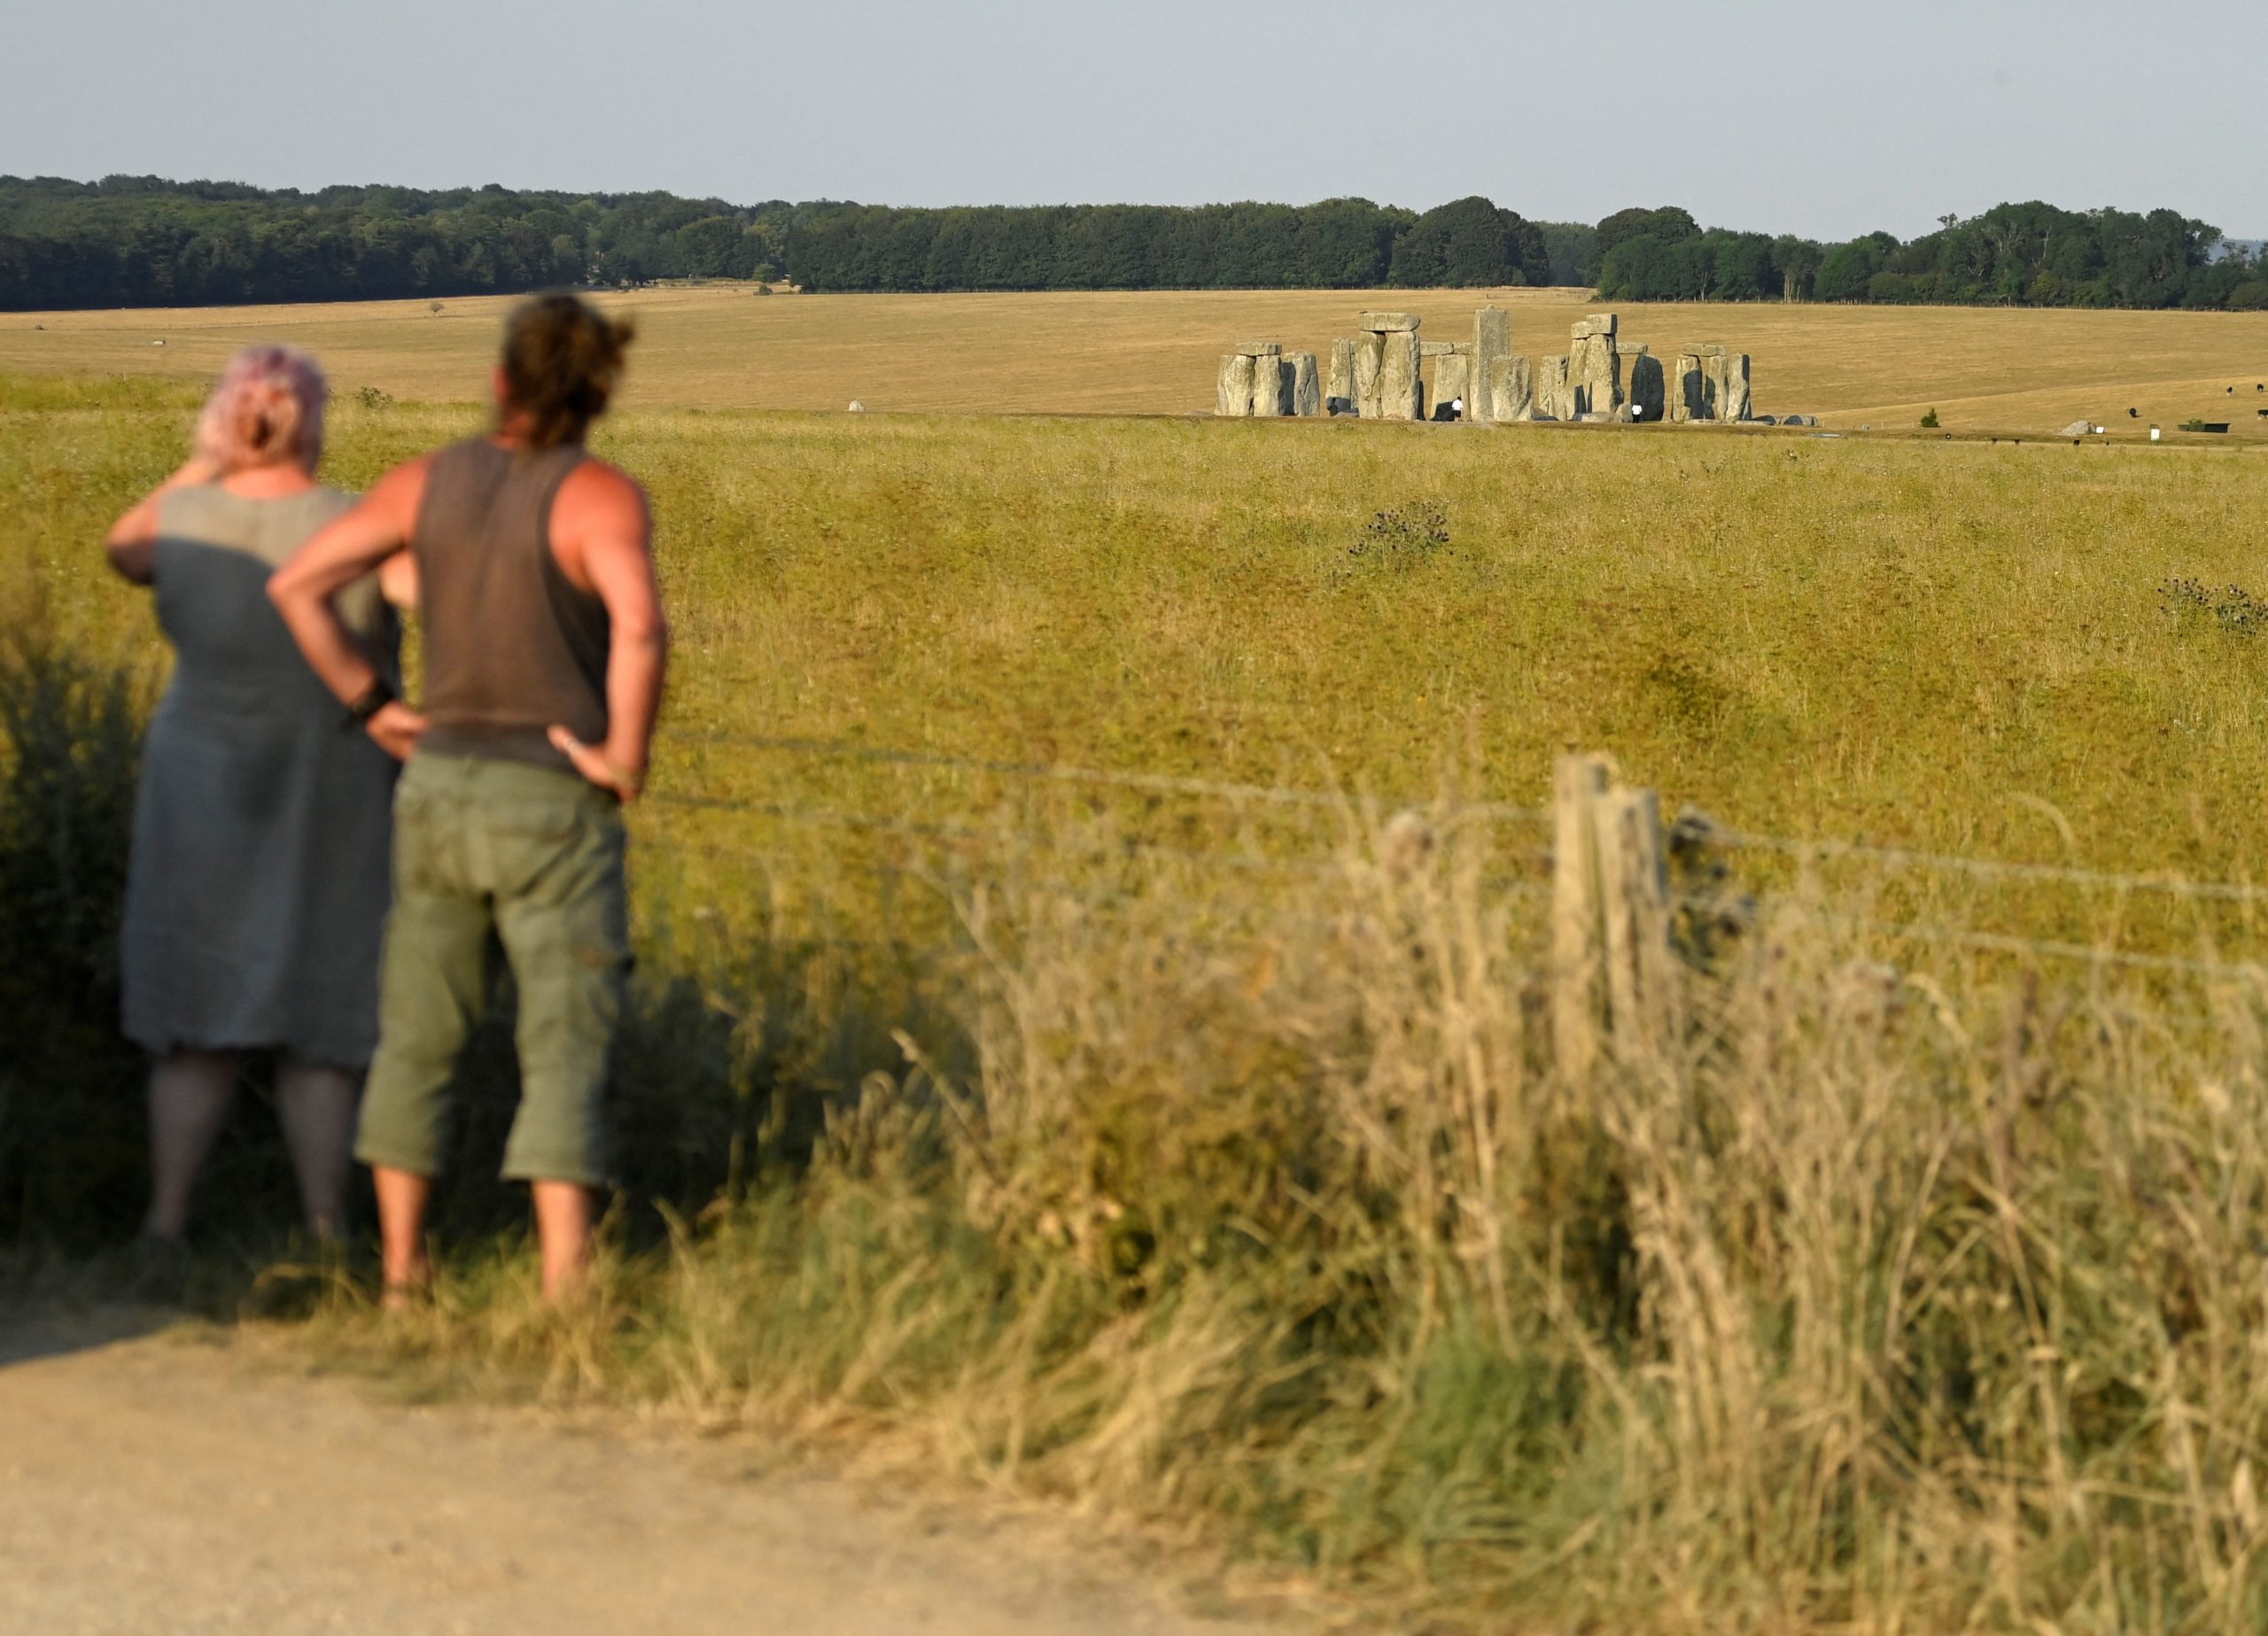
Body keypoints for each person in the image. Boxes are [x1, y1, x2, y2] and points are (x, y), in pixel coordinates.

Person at [270, 292, 667, 1303]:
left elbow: (298, 586)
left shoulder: (422, 481)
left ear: (499, 381)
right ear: (599, 393)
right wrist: (622, 753)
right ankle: (563, 1284)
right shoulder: (600, 498)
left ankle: (402, 1271)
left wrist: (371, 706)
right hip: (551, 798)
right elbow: (638, 629)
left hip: (436, 785)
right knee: (563, 1034)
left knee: (416, 1033)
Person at [105, 345, 408, 1247]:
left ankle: (166, 1223)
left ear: (226, 419)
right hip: (336, 782)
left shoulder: (183, 521)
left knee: (196, 1018)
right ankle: (327, 1233)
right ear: (317, 421)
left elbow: (124, 550)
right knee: (322, 1020)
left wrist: (213, 452)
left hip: (199, 783)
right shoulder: (354, 521)